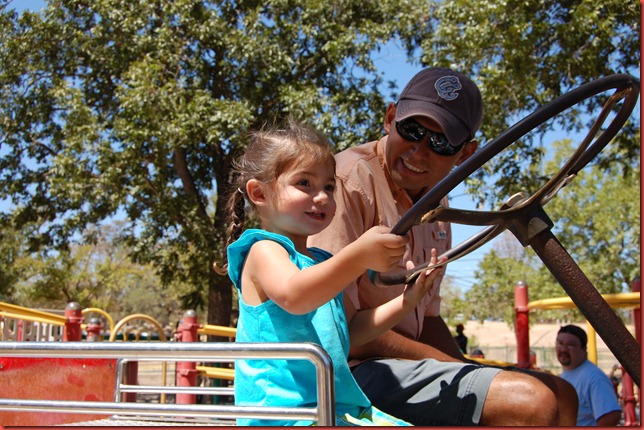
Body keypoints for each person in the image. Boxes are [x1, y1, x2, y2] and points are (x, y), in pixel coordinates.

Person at [309, 67, 579, 426]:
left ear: (466, 153)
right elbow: (341, 334)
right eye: (412, 130)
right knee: (531, 402)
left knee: (563, 394)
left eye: (441, 143)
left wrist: (464, 366)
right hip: (348, 373)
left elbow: (429, 320)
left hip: (398, 367)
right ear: (390, 118)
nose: (419, 151)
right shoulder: (347, 181)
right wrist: (456, 366)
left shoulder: (437, 207)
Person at [215, 119, 445, 426]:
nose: (322, 197)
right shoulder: (263, 250)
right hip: (282, 415)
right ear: (259, 194)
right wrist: (359, 256)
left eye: (329, 187)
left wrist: (407, 302)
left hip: (329, 408)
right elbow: (295, 296)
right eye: (304, 183)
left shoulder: (322, 261)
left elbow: (351, 329)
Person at [556, 325, 622, 426]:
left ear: (584, 348)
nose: (563, 349)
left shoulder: (594, 378)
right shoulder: (565, 375)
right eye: (560, 343)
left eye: (570, 345)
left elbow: (611, 416)